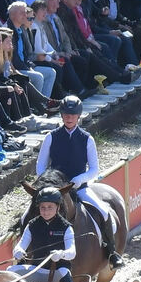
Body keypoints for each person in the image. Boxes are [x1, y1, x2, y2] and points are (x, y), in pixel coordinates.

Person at [35, 95, 123, 269]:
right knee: (27, 215)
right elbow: (40, 166)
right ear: (61, 115)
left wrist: (79, 180)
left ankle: (111, 252)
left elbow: (94, 169)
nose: (69, 118)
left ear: (78, 116)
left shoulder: (87, 139)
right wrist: (48, 183)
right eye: (66, 115)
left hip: (79, 188)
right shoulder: (51, 137)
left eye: (73, 115)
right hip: (55, 190)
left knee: (104, 212)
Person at [9, 187, 80, 282]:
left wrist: (61, 254)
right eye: (43, 207)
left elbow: (72, 252)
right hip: (37, 271)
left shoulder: (66, 227)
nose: (46, 211)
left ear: (58, 207)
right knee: (11, 270)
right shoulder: (32, 225)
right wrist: (18, 251)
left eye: (50, 207)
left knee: (64, 271)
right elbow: (20, 246)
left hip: (57, 276)